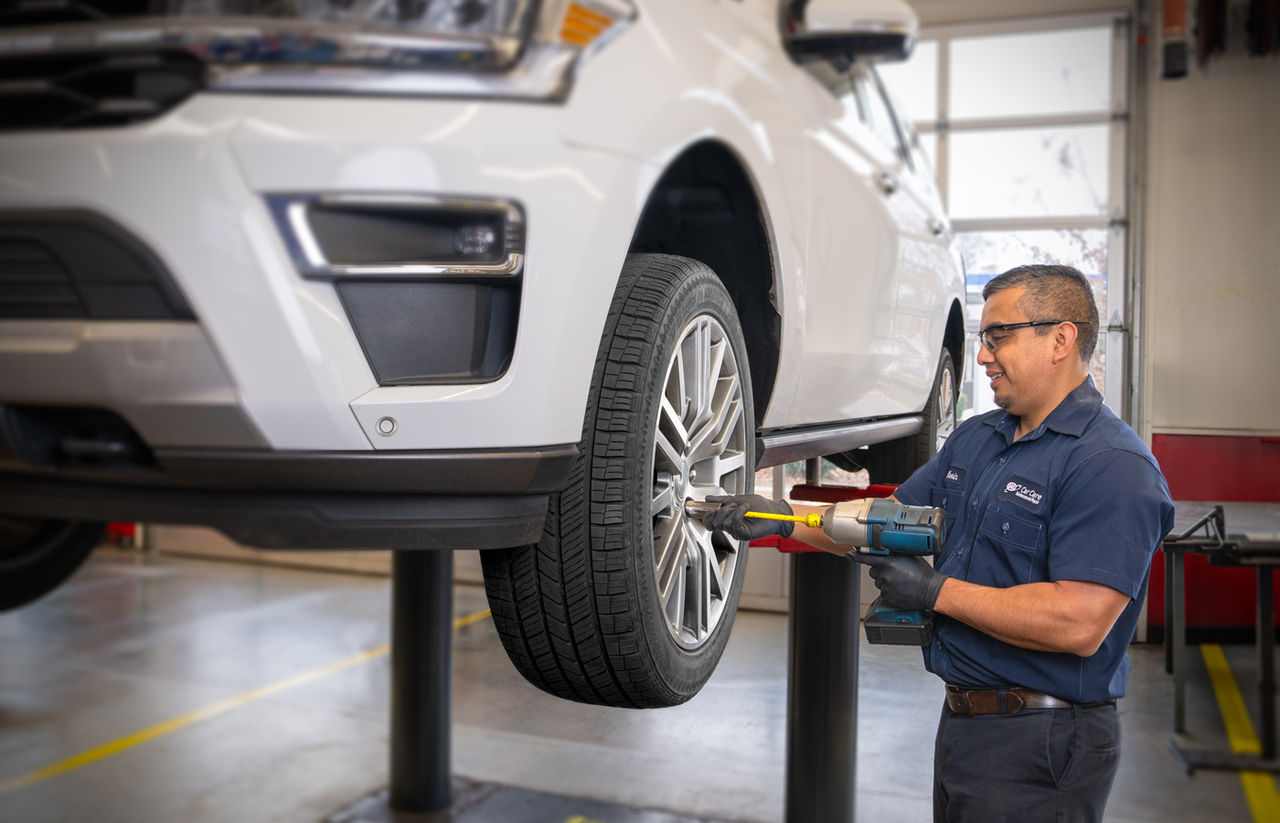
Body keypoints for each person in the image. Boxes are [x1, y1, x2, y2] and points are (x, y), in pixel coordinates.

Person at [706, 264, 1175, 823]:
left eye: (1000, 336)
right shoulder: (980, 438)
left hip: (1046, 742)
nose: (982, 356)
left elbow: (1080, 621)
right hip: (964, 725)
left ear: (1061, 339)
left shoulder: (1111, 466)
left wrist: (935, 591)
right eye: (983, 338)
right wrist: (786, 519)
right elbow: (881, 523)